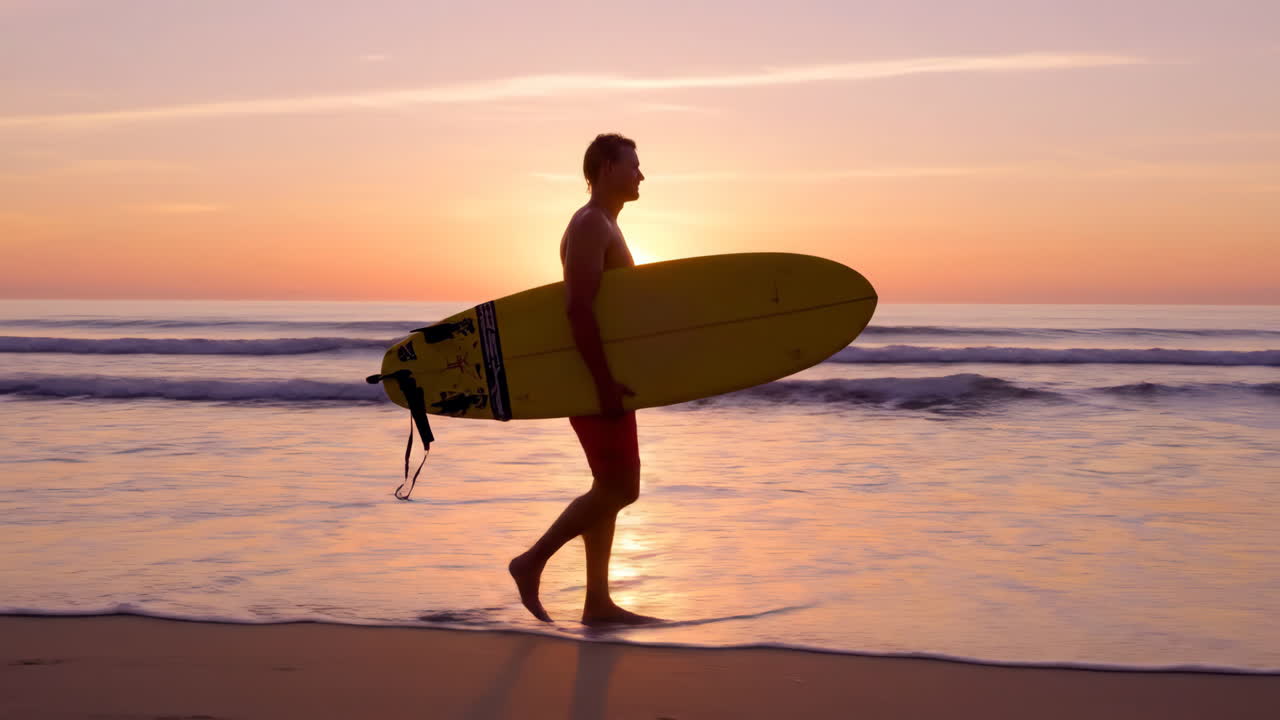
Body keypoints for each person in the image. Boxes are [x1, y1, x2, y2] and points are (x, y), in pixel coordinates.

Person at [508, 133, 660, 626]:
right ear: (607, 167)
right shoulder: (591, 224)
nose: (641, 174)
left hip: (606, 377)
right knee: (621, 488)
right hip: (595, 380)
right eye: (633, 165)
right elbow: (577, 309)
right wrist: (603, 385)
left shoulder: (603, 224)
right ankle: (531, 561)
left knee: (610, 485)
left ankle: (597, 602)